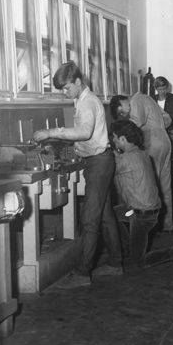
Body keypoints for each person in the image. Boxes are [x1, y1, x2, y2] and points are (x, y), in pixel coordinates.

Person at [33, 61, 123, 287]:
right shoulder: (81, 100)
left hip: (99, 163)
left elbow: (84, 132)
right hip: (100, 160)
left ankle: (83, 273)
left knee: (90, 219)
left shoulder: (87, 102)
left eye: (66, 87)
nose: (65, 92)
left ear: (77, 81)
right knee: (104, 215)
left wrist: (50, 133)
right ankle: (115, 263)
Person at [109, 92, 173, 232]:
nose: (124, 114)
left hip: (153, 142)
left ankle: (152, 228)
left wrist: (117, 136)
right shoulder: (147, 98)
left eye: (121, 111)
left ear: (123, 101)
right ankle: (167, 225)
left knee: (151, 185)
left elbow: (133, 125)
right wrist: (157, 128)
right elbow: (168, 119)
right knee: (165, 184)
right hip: (165, 141)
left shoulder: (136, 100)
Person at [110, 119, 161, 273]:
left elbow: (112, 168)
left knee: (138, 262)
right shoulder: (142, 154)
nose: (112, 140)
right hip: (144, 211)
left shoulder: (125, 159)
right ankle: (127, 245)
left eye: (114, 137)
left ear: (123, 139)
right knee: (111, 214)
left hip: (142, 216)